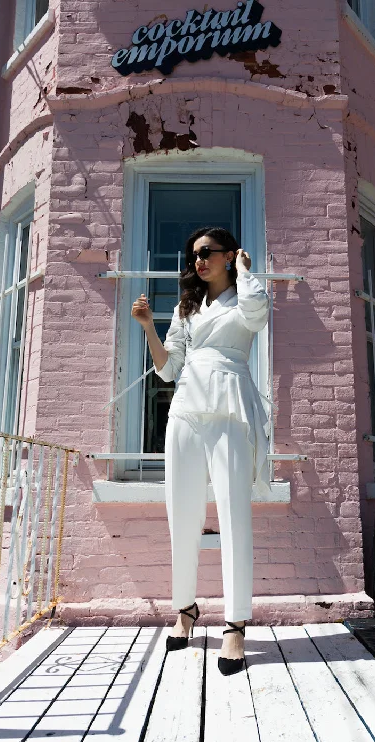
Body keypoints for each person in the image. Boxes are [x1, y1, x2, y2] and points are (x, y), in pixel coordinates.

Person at [131, 226, 271, 676]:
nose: (199, 260)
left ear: (230, 256)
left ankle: (235, 624)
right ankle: (186, 609)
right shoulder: (186, 308)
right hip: (188, 406)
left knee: (234, 515)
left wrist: (246, 271)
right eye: (194, 254)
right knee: (182, 511)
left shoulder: (246, 293)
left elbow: (257, 315)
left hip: (230, 406)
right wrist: (149, 327)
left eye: (208, 252)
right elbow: (168, 369)